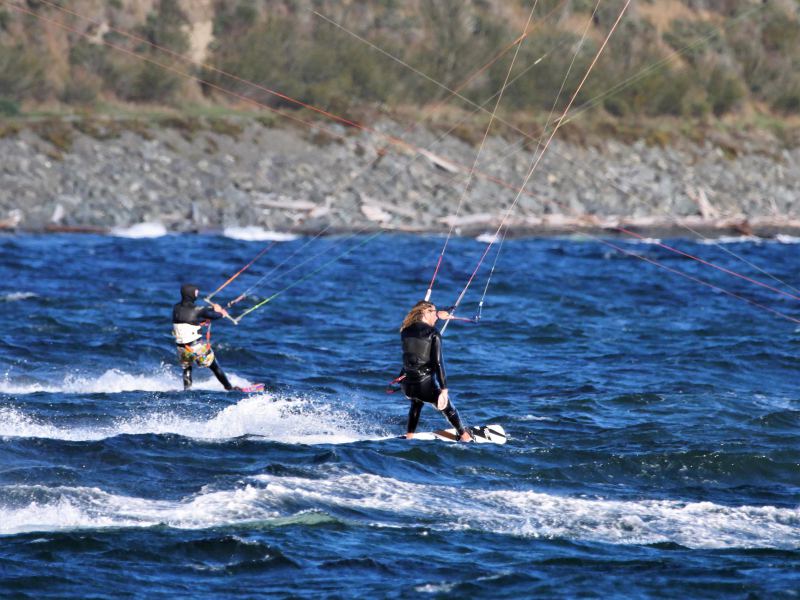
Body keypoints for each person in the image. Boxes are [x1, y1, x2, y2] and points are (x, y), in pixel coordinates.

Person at [398, 300, 472, 442]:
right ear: (425, 313)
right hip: (425, 386)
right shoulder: (434, 333)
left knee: (416, 404)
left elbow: (421, 333)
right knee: (448, 408)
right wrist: (444, 390)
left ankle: (409, 436)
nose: (436, 316)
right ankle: (464, 436)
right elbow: (437, 363)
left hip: (407, 385)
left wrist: (437, 313)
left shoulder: (405, 330)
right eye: (434, 312)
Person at [172, 283, 238, 391]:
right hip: (196, 348)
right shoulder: (198, 310)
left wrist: (211, 309)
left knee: (187, 368)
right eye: (195, 293)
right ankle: (229, 388)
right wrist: (221, 312)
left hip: (181, 348)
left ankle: (186, 391)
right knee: (214, 366)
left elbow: (192, 317)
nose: (197, 295)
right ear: (191, 294)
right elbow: (214, 316)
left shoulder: (176, 308)